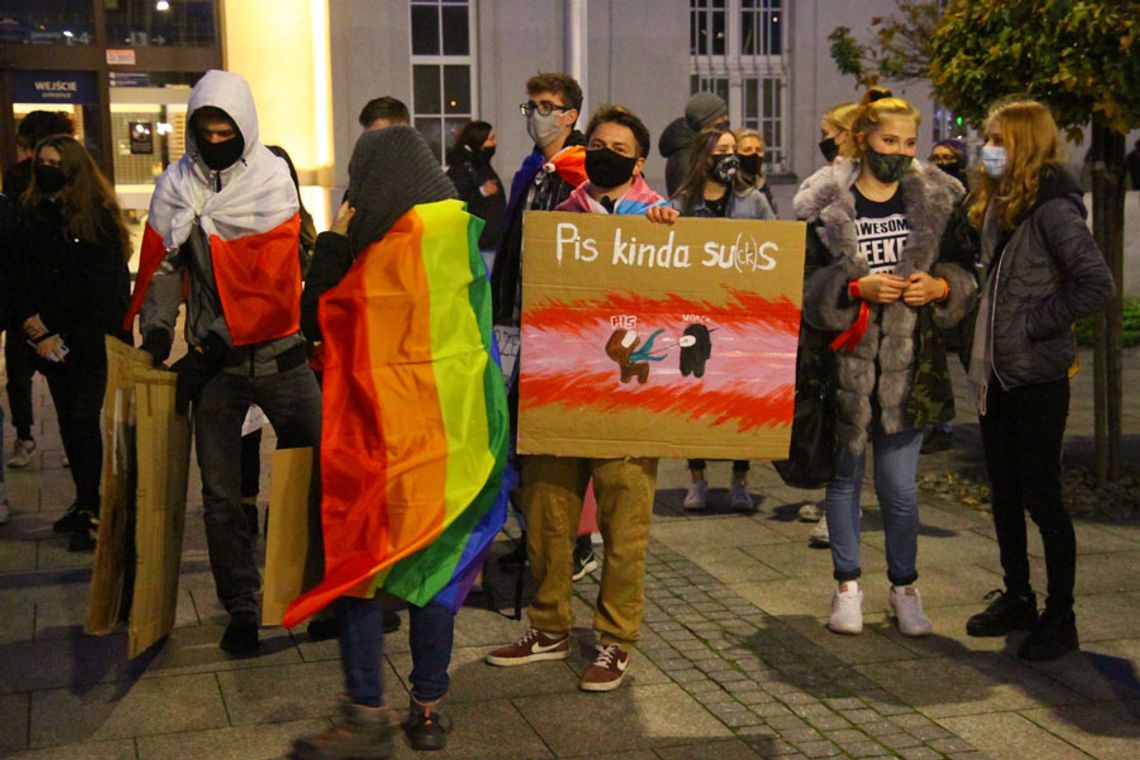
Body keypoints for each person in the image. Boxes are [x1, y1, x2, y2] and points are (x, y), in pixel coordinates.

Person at [288, 124, 507, 758]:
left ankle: (365, 712)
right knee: (436, 572)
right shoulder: (458, 237)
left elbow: (320, 316)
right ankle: (429, 710)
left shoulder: (383, 251)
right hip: (457, 442)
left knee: (360, 565)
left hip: (384, 441)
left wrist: (331, 244)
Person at [129, 70, 322, 655]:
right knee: (219, 498)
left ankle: (325, 592)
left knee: (316, 477)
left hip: (282, 358)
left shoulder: (271, 181)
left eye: (225, 130)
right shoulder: (176, 185)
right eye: (205, 131)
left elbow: (272, 282)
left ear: (245, 127)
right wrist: (158, 334)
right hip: (218, 371)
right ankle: (241, 604)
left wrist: (207, 347)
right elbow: (164, 265)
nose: (216, 141)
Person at [486, 104, 665, 692]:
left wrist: (671, 240)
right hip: (560, 385)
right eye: (599, 143)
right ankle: (549, 625)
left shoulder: (663, 220)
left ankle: (616, 641)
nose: (604, 152)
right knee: (547, 516)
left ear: (638, 161)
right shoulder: (557, 216)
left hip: (629, 394)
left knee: (625, 525)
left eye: (619, 146)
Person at [792, 88, 975, 638]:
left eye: (908, 142)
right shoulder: (825, 205)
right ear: (863, 138)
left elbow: (966, 270)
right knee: (844, 481)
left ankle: (904, 588)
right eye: (888, 139)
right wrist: (853, 285)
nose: (898, 150)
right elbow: (800, 286)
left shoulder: (939, 200)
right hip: (843, 364)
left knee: (899, 489)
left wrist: (941, 286)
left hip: (910, 368)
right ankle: (846, 585)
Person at [964, 99, 1113, 661]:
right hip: (995, 375)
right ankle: (1018, 597)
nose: (988, 148)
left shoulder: (1053, 207)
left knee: (1042, 499)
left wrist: (1030, 324)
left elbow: (1095, 285)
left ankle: (1062, 616)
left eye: (997, 139)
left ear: (1023, 143)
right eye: (986, 138)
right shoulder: (999, 203)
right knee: (1003, 493)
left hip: (1035, 376)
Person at [489, 72, 590, 575]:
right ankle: (536, 540)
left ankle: (571, 546)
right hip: (518, 319)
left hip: (556, 328)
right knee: (517, 436)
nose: (537, 114)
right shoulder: (533, 169)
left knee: (549, 441)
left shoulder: (581, 171)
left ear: (571, 115)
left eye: (548, 105)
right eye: (531, 105)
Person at [14, 135, 132, 550]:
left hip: (89, 340)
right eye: (41, 162)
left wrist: (56, 330)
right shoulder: (33, 213)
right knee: (69, 424)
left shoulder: (96, 218)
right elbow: (22, 273)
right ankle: (84, 501)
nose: (45, 169)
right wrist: (35, 328)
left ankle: (97, 510)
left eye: (54, 163)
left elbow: (102, 291)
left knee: (83, 422)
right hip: (50, 341)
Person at [651, 126, 775, 512]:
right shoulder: (682, 202)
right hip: (696, 314)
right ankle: (697, 479)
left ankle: (740, 480)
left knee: (740, 397)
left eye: (733, 150)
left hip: (742, 314)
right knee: (696, 393)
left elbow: (776, 249)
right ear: (704, 157)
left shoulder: (753, 201)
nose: (730, 157)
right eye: (722, 150)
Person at [793, 98, 860, 544]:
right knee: (827, 409)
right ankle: (832, 498)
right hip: (821, 309)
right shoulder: (823, 183)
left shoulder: (858, 183)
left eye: (830, 131)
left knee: (851, 418)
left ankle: (839, 508)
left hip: (856, 312)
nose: (824, 139)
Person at [3, 111, 76, 471]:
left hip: (53, 298)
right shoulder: (17, 179)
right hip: (26, 295)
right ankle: (26, 435)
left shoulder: (74, 180)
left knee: (61, 373)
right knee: (20, 372)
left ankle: (55, 437)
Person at [922, 138, 972, 455]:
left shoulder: (968, 196)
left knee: (968, 354)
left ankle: (978, 409)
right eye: (937, 157)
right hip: (933, 281)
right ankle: (937, 422)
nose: (941, 163)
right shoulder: (928, 192)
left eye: (948, 158)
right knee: (935, 355)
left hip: (957, 283)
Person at [446, 120, 507, 261]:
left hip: (488, 242)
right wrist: (482, 193)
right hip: (480, 245)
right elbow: (456, 202)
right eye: (491, 139)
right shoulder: (463, 168)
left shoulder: (479, 164)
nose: (495, 143)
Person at [658, 91, 729, 196]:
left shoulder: (694, 149)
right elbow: (688, 202)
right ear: (705, 121)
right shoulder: (686, 158)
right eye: (720, 116)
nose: (726, 119)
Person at [735, 127, 778, 215]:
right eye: (747, 150)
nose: (754, 154)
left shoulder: (762, 186)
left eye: (758, 150)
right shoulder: (731, 188)